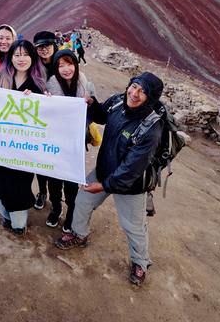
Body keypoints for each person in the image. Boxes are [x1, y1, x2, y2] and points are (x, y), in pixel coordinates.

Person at [54, 72, 164, 286]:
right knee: (82, 202)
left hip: (131, 185)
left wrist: (104, 186)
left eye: (142, 92)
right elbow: (102, 115)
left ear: (150, 99)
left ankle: (140, 262)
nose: (134, 94)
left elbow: (131, 169)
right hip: (104, 170)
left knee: (133, 225)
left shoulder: (151, 128)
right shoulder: (117, 102)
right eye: (134, 87)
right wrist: (92, 104)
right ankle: (79, 235)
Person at [0, 40, 47, 235]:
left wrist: (40, 98)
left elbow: (45, 115)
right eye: (17, 54)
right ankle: (7, 213)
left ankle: (18, 220)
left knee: (17, 185)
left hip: (22, 150)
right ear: (10, 57)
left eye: (26, 54)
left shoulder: (39, 83)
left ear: (32, 58)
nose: (21, 59)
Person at [44, 49, 96, 232]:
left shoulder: (86, 85)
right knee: (54, 178)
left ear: (75, 64)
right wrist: (46, 101)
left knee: (72, 180)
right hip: (54, 140)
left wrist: (90, 103)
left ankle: (71, 212)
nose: (66, 69)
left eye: (69, 64)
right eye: (61, 65)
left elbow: (93, 115)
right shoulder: (50, 87)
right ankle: (56, 207)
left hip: (75, 141)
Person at [32, 30, 60, 209]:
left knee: (54, 160)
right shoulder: (33, 66)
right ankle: (42, 192)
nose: (44, 50)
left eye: (47, 46)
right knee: (39, 159)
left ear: (54, 46)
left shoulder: (62, 63)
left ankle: (57, 198)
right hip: (38, 119)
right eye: (40, 47)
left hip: (57, 121)